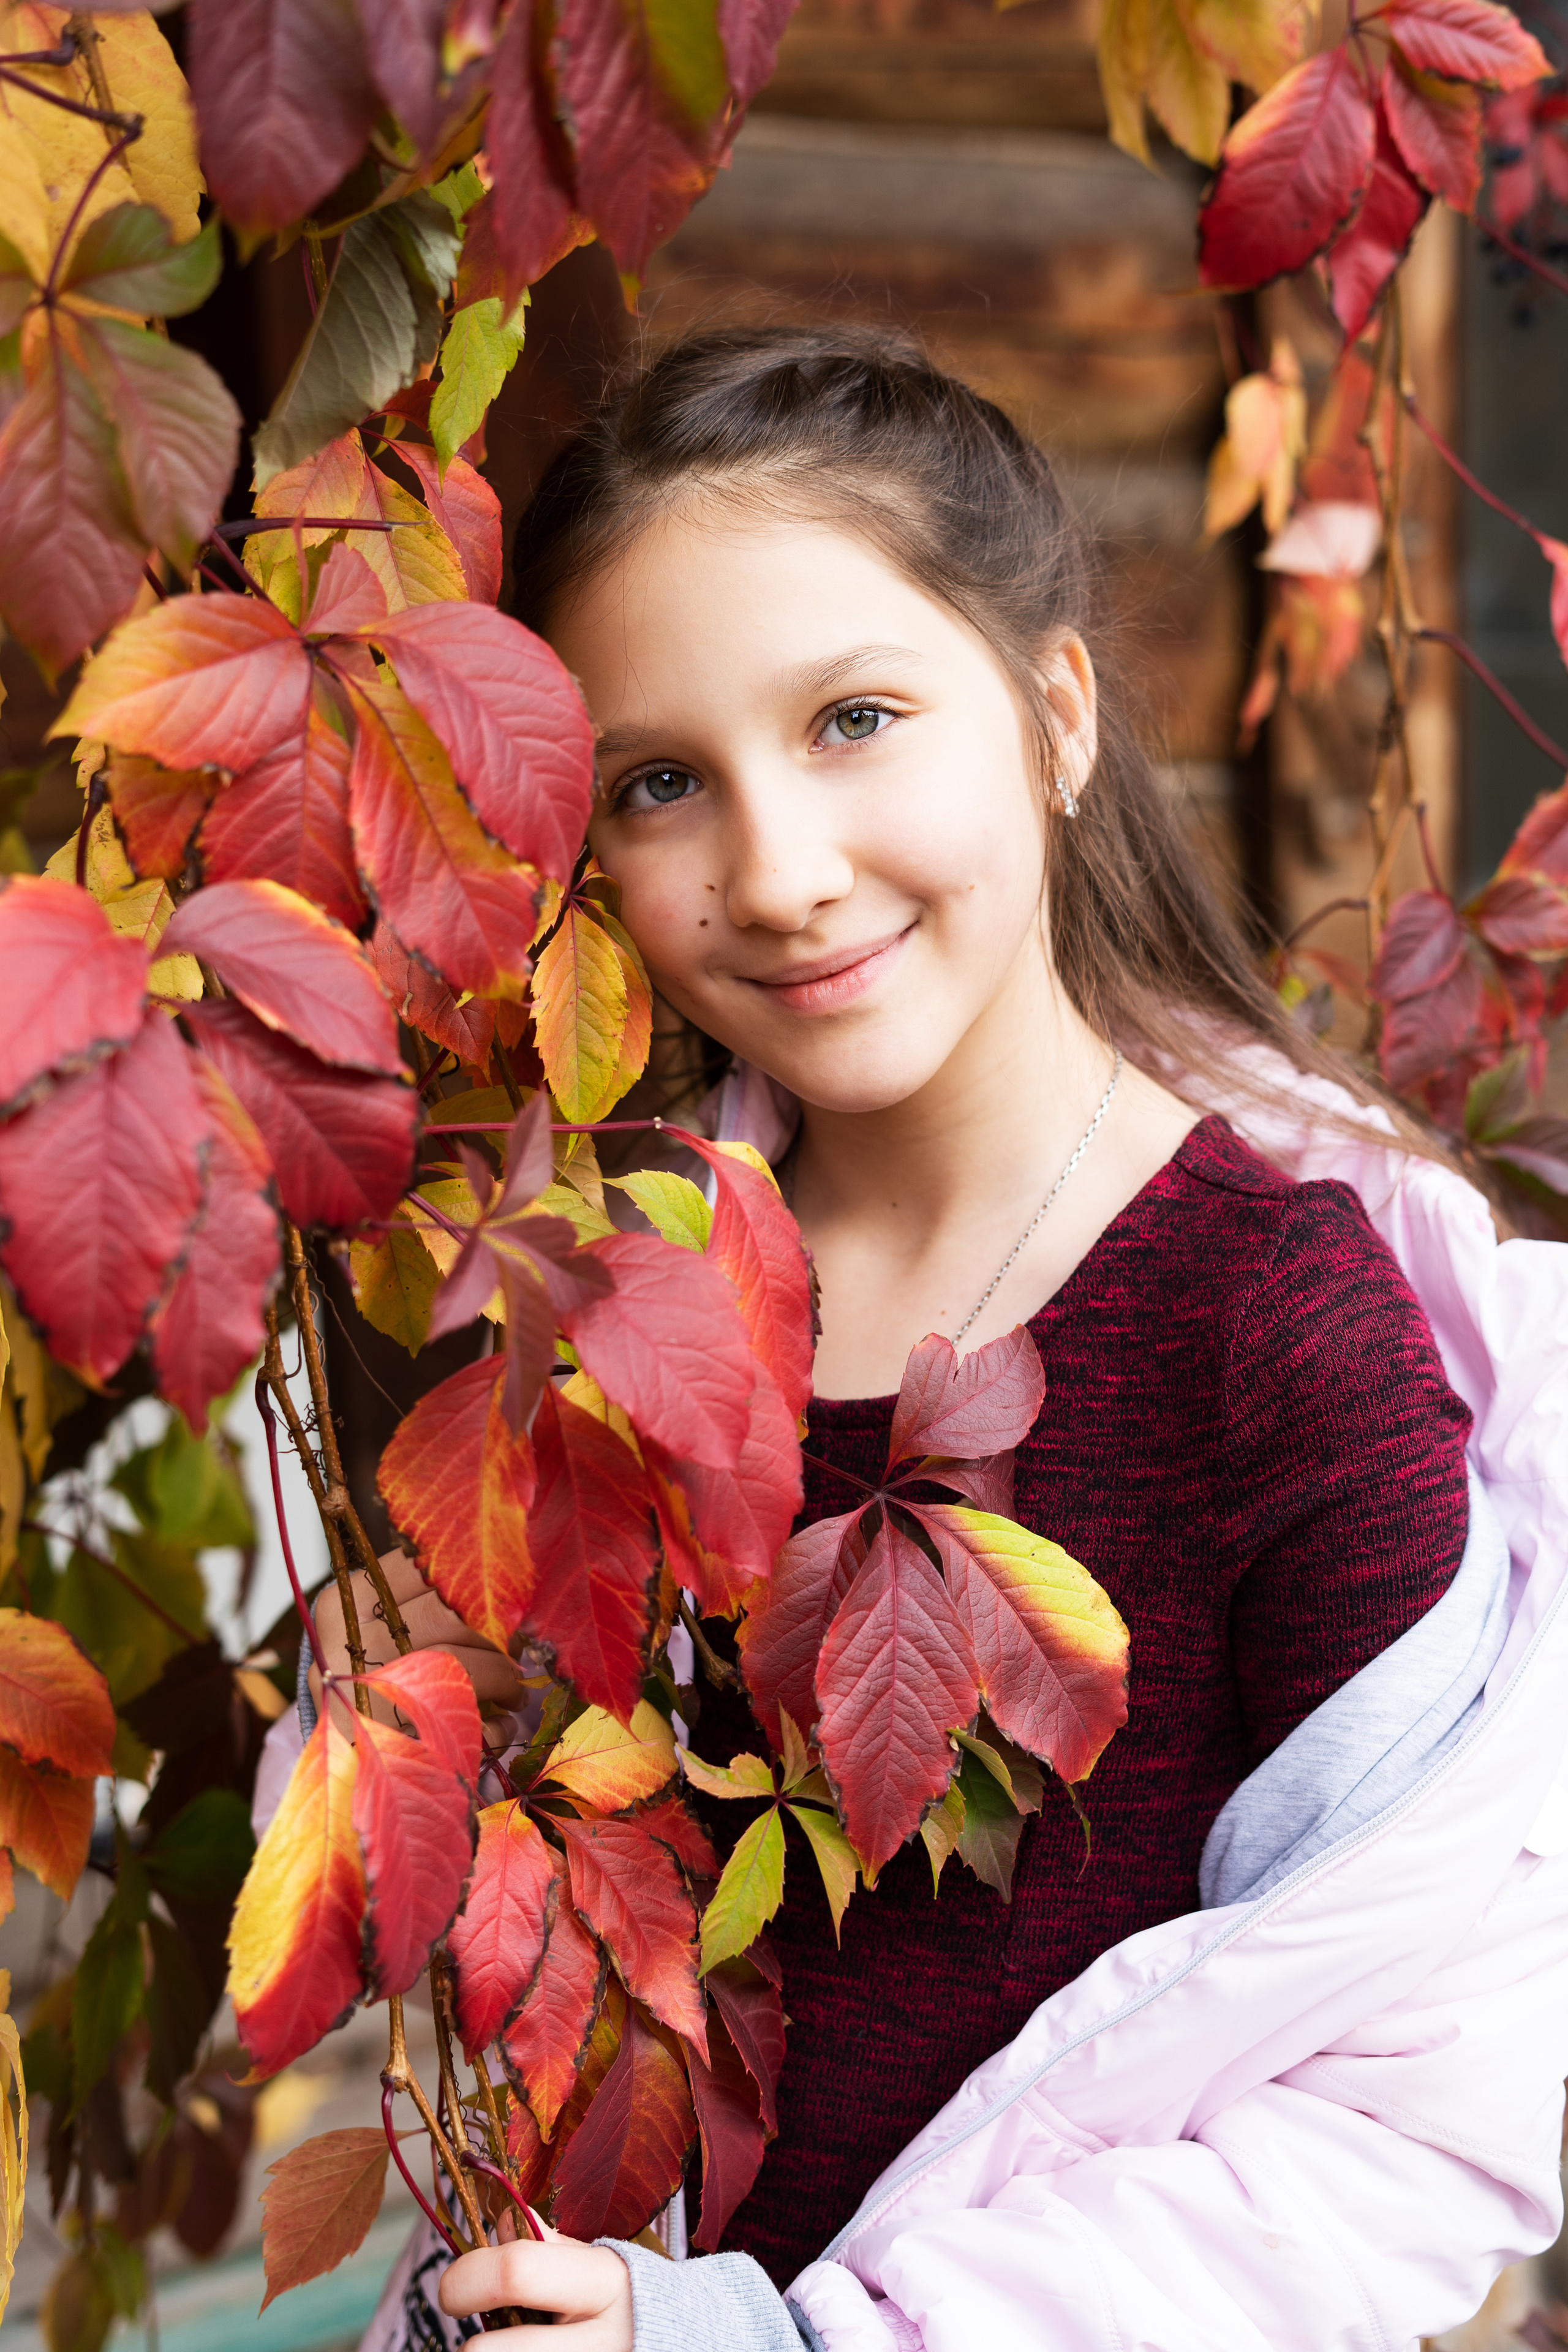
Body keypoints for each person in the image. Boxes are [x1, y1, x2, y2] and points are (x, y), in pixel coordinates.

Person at [329, 326, 1568, 2351]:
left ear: (1057, 714)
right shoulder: (615, 1302)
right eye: (662, 783)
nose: (783, 873)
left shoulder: (1279, 1327)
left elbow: (1401, 2130)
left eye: (856, 718)